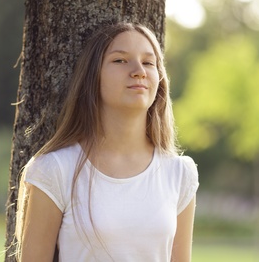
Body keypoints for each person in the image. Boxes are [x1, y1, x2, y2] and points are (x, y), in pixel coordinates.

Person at [14, 22, 199, 262]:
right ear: (93, 77)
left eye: (148, 62)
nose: (138, 71)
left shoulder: (179, 173)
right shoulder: (55, 169)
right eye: (120, 60)